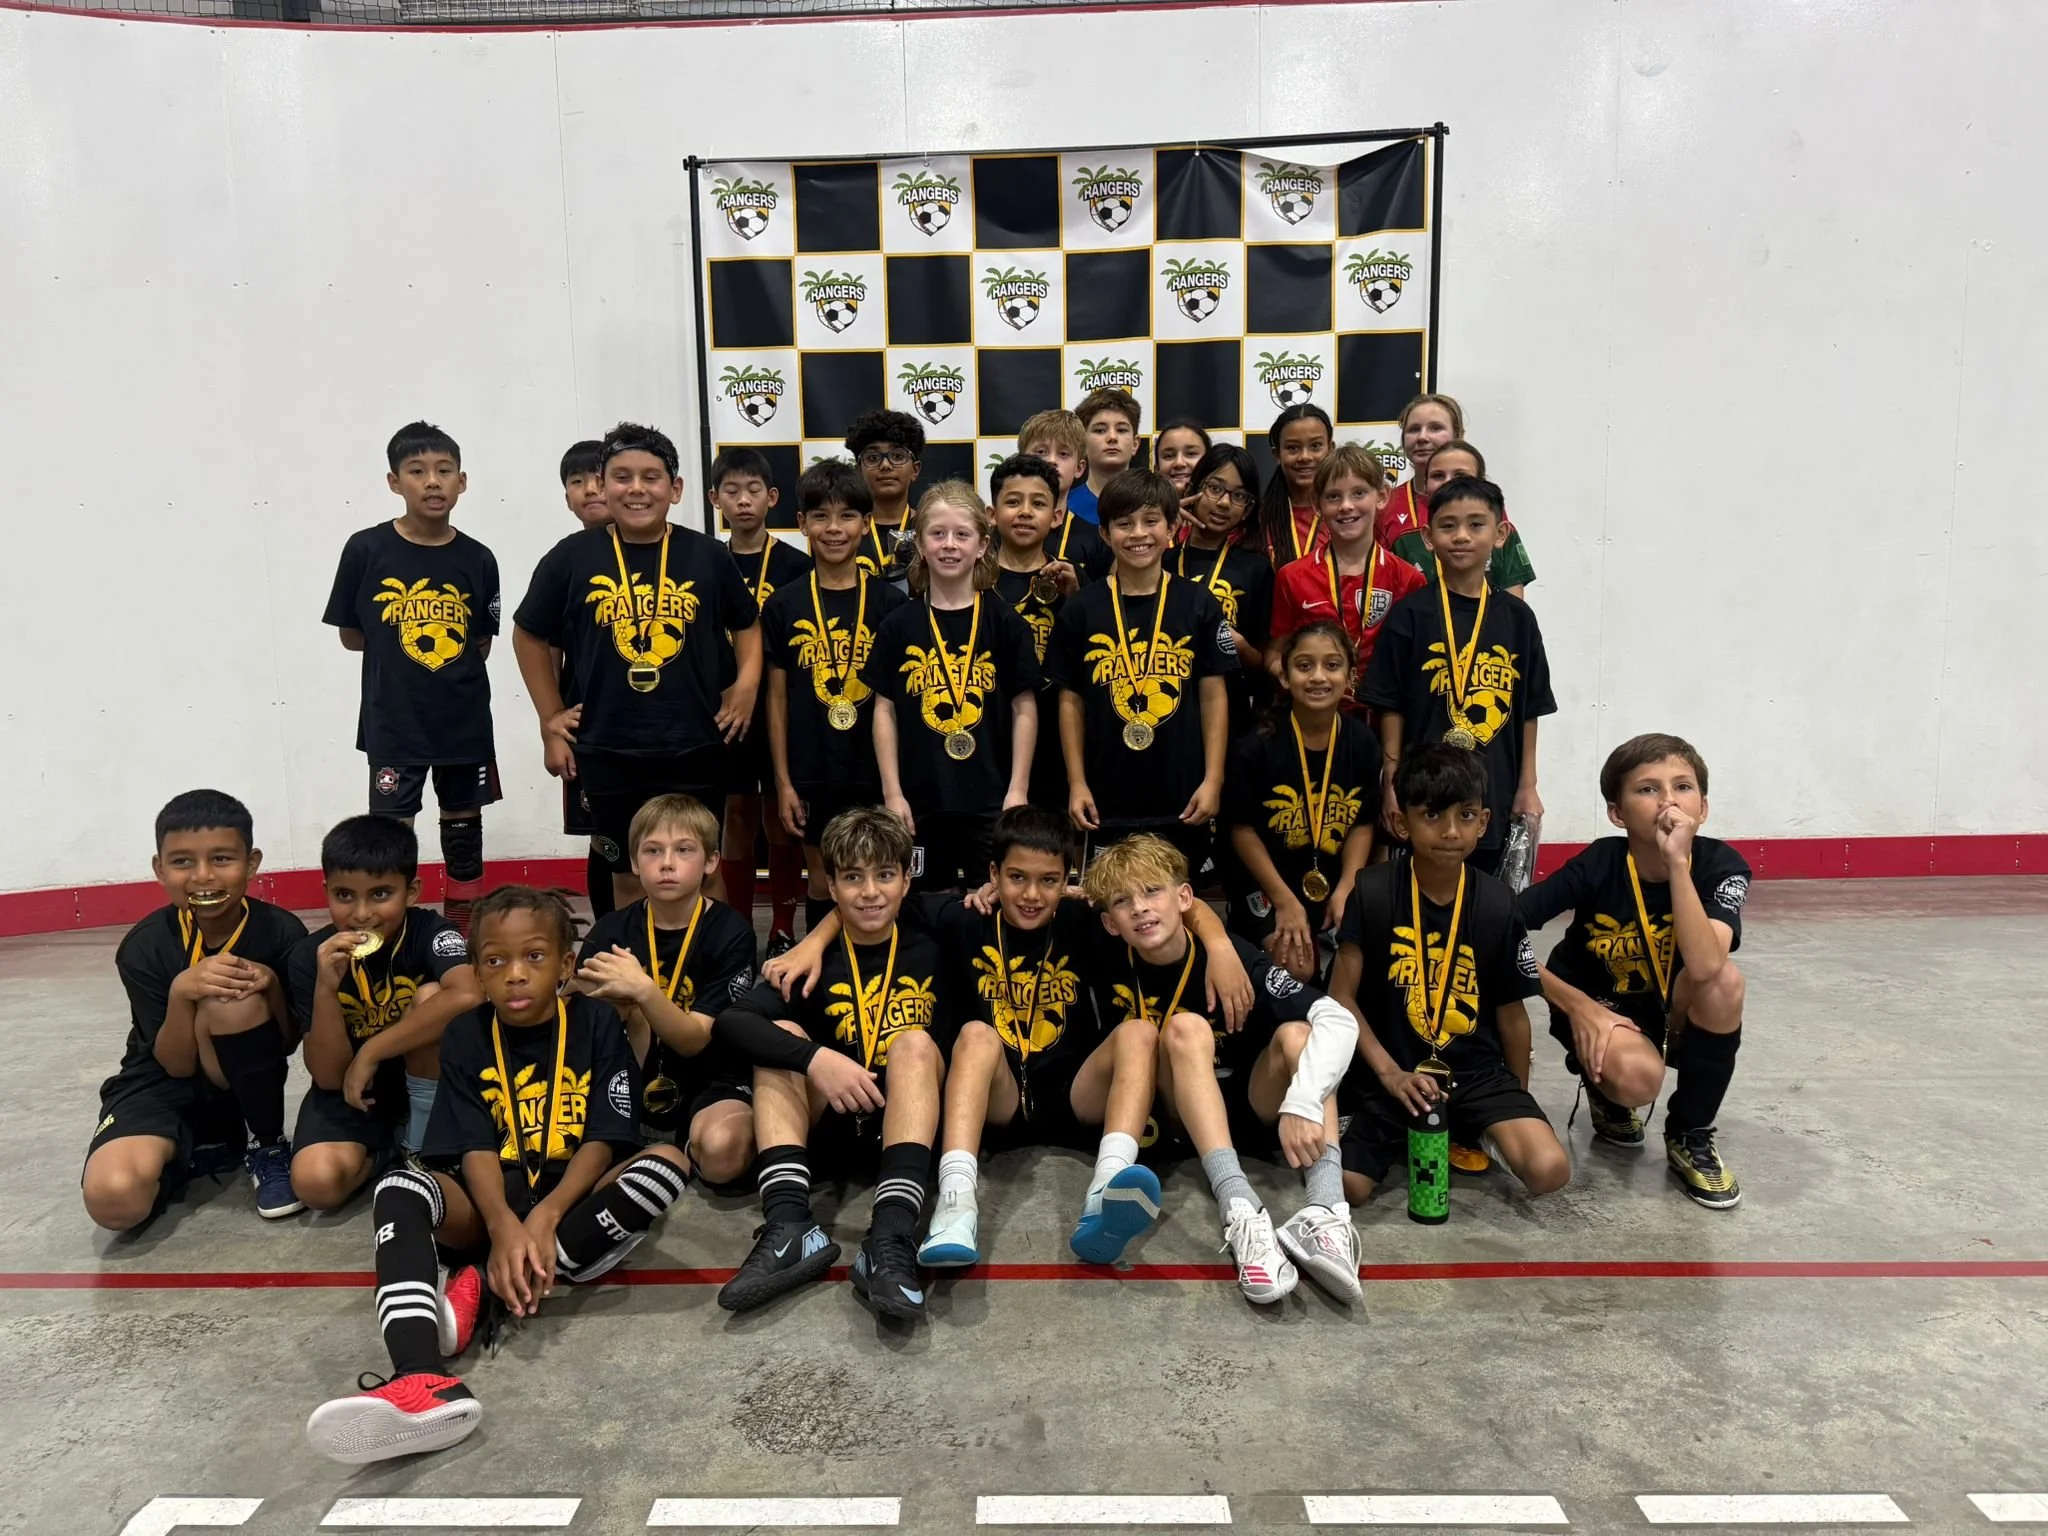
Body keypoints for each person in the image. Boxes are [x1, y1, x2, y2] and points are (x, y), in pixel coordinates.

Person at [764, 804, 1252, 1269]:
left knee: (1139, 1031)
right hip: (993, 1097)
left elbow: (1173, 906)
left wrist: (1220, 943)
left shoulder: (1084, 920)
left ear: (1069, 882)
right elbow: (869, 908)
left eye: (1049, 882)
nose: (1032, 895)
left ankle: (1105, 1191)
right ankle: (956, 1206)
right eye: (1017, 878)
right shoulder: (962, 918)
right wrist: (814, 938)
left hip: (1072, 1097)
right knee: (977, 1034)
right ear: (993, 875)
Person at [304, 887, 690, 1465]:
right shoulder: (464, 1033)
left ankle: (499, 1280)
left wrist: (546, 1213)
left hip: (569, 1202)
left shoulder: (595, 1024)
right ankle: (420, 1377)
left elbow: (604, 1139)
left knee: (669, 1166)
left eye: (534, 957)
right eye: (494, 961)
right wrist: (505, 1223)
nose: (514, 975)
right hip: (487, 1204)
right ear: (477, 971)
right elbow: (474, 1146)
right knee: (399, 1187)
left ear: (565, 966)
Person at [1083, 834, 1363, 1305]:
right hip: (1169, 1109)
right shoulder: (1103, 945)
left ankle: (1327, 1212)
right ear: (1110, 922)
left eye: (1153, 891)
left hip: (1246, 1106)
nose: (1140, 908)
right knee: (1185, 1028)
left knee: (1300, 1037)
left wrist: (1300, 1101)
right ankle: (1240, 1209)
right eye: (1123, 901)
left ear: (1185, 899)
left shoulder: (1236, 958)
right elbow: (1038, 897)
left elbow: (1337, 1019)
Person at [512, 421, 761, 912]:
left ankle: (718, 973)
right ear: (602, 485)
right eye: (622, 477)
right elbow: (528, 635)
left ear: (676, 487)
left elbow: (748, 625)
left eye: (651, 477)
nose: (637, 489)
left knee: (703, 873)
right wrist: (550, 718)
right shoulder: (572, 557)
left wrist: (746, 684)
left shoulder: (707, 556)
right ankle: (634, 981)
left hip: (696, 742)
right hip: (609, 747)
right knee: (626, 877)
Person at [710, 809, 949, 1320]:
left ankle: (891, 1235)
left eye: (885, 875)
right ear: (831, 887)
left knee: (913, 1043)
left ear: (907, 881)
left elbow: (1020, 898)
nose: (870, 892)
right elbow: (732, 1022)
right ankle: (791, 1224)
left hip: (907, 1125)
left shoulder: (934, 929)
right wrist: (816, 1058)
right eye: (853, 878)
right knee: (782, 1037)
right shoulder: (807, 964)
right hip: (831, 1125)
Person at [1327, 745, 1572, 1209]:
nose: (1451, 831)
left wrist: (1515, 1103)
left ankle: (1470, 1127)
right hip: (1395, 1070)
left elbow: (1512, 1014)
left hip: (1475, 1072)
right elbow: (1342, 997)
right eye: (1433, 815)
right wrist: (1390, 1073)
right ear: (1402, 824)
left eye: (1465, 816)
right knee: (1350, 1188)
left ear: (1484, 823)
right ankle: (1401, 1124)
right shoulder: (1373, 891)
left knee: (1548, 1170)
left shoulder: (1499, 904)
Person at [1517, 734, 1750, 1209]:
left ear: (1702, 808)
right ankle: (1607, 1092)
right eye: (1647, 789)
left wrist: (1677, 865)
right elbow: (1497, 928)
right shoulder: (1599, 862)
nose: (1668, 801)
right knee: (1639, 1082)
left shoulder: (1723, 865)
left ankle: (1690, 1134)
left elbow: (1705, 964)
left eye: (1682, 787)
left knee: (1725, 982)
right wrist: (1576, 1006)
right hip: (1602, 1008)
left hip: (1676, 1008)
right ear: (1617, 813)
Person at [82, 790, 309, 1231]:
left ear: (252, 862)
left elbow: (286, 1043)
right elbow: (174, 1064)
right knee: (114, 1202)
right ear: (159, 868)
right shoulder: (143, 947)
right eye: (183, 862)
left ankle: (266, 1144)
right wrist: (181, 993)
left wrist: (273, 988)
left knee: (233, 997)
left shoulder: (282, 931)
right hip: (159, 1082)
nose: (203, 876)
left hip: (242, 1079)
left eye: (222, 859)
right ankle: (190, 1152)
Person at [324, 421, 500, 937]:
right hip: (394, 722)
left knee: (464, 832)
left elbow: (481, 641)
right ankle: (389, 932)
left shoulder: (478, 557)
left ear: (462, 481)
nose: (432, 482)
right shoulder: (366, 549)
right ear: (393, 481)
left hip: (463, 723)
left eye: (444, 471)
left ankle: (464, 934)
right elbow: (352, 635)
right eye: (417, 471)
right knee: (390, 833)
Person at [1363, 475, 1553, 879]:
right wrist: (1391, 784)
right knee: (1419, 890)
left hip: (1493, 786)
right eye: (1448, 526)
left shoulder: (1518, 618)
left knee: (1484, 894)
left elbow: (1530, 708)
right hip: (1421, 787)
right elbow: (1390, 707)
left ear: (1500, 533)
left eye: (1476, 524)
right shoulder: (1409, 615)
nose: (1461, 536)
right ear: (1429, 538)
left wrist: (1527, 785)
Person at [289, 817, 480, 1213]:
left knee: (432, 995)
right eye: (344, 895)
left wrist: (372, 1050)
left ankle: (420, 1134)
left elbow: (469, 993)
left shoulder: (432, 931)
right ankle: (388, 1150)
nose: (361, 914)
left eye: (380, 894)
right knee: (315, 1185)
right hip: (355, 1091)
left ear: (411, 892)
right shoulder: (311, 955)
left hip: (429, 1082)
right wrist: (326, 988)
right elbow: (326, 1075)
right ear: (326, 892)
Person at [1050, 470, 1234, 874]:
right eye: (1123, 523)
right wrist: (1077, 782)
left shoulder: (1197, 603)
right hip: (1105, 796)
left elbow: (1213, 696)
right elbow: (1070, 701)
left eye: (1151, 521)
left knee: (1181, 906)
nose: (1138, 534)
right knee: (1108, 908)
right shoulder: (1082, 609)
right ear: (1104, 534)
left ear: (1172, 529)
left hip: (1182, 795)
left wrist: (1214, 779)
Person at [576, 794, 760, 1186]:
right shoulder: (610, 931)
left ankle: (678, 1149)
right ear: (633, 862)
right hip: (629, 1076)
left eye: (684, 850)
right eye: (653, 851)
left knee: (724, 1154)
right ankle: (640, 1138)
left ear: (711, 862)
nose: (667, 863)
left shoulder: (732, 932)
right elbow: (575, 1031)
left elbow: (694, 1040)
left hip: (711, 1076)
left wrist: (643, 990)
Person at [761, 460, 909, 936]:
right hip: (812, 769)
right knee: (824, 878)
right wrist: (783, 781)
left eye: (847, 516)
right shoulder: (783, 603)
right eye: (820, 516)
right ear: (802, 524)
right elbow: (777, 698)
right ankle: (823, 974)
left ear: (866, 525)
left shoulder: (890, 603)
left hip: (873, 769)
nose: (834, 528)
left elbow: (899, 702)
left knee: (878, 877)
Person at [872, 482, 1040, 890]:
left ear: (982, 545)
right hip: (920, 800)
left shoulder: (1006, 624)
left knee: (995, 902)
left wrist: (1017, 789)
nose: (949, 545)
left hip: (990, 799)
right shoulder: (898, 625)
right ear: (921, 544)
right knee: (923, 905)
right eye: (938, 533)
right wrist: (893, 794)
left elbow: (1025, 709)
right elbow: (884, 711)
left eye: (962, 534)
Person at [1225, 623, 1378, 983]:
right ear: (1285, 675)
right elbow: (1242, 831)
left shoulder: (1362, 742)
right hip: (1267, 881)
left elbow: (1363, 823)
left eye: (1332, 665)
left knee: (1371, 956)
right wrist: (1284, 901)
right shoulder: (1257, 744)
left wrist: (1347, 887)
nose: (1318, 677)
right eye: (1305, 665)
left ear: (1350, 676)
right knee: (1296, 967)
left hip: (1333, 875)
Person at [712, 446, 811, 947]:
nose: (743, 501)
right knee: (737, 813)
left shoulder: (796, 565)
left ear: (772, 498)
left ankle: (780, 929)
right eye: (731, 491)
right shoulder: (708, 561)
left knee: (778, 812)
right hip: (725, 710)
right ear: (715, 499)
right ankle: (735, 928)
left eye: (753, 490)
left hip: (779, 706)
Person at [1269, 444, 1426, 697]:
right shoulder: (1292, 577)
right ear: (1317, 505)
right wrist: (1299, 678)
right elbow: (1276, 652)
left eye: (1359, 493)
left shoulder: (1408, 579)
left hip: (1383, 719)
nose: (1346, 506)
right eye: (1333, 496)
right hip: (1316, 715)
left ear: (1382, 495)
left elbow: (1415, 659)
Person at [988, 452, 1081, 811]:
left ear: (1056, 517)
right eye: (1013, 502)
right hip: (988, 731)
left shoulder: (1072, 582)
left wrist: (1074, 600)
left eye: (1038, 503)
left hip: (1054, 738)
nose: (1025, 511)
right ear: (992, 515)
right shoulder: (971, 580)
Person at [1174, 442, 1274, 733]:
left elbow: (1265, 665)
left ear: (1248, 509)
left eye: (1239, 496)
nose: (1223, 503)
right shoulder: (1160, 560)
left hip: (1231, 715)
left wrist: (1238, 645)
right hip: (1166, 707)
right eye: (1214, 488)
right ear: (1192, 490)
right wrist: (1166, 520)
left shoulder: (1255, 569)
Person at [557, 438, 616, 921]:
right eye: (577, 482)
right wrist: (552, 723)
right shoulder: (567, 559)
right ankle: (606, 931)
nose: (590, 489)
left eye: (599, 477)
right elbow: (542, 642)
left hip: (659, 722)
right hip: (587, 723)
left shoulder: (662, 546)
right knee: (603, 833)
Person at [1398, 439, 1537, 597]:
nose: (1448, 482)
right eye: (1438, 476)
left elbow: (1514, 609)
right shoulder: (1405, 540)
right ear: (1425, 484)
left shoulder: (1499, 533)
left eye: (1460, 475)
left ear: (1480, 481)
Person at [1020, 408, 1113, 580]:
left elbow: (1104, 603)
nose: (1051, 461)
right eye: (1041, 452)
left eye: (1063, 454)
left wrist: (1078, 592)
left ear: (1079, 468)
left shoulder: (1097, 541)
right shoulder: (1002, 532)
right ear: (1021, 461)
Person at [1375, 392, 1462, 557]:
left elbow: (1510, 580)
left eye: (1435, 428)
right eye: (1414, 429)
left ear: (1457, 435)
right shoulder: (1385, 506)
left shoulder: (1484, 499)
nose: (1422, 437)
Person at [844, 408, 924, 574]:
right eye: (873, 458)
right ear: (859, 470)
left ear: (915, 470)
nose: (886, 465)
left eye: (897, 456)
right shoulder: (843, 532)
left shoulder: (932, 529)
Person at [1255, 404, 1333, 567]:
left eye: (1316, 446)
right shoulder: (1258, 520)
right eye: (1292, 448)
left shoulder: (1347, 513)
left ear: (1330, 449)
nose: (1305, 457)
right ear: (1277, 454)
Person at [1068, 387, 1142, 526]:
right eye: (1100, 430)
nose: (1112, 437)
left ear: (1135, 443)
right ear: (1082, 442)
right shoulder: (1064, 508)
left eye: (1121, 430)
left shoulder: (1153, 506)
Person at [1152, 417, 1212, 495]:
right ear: (1156, 469)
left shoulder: (1226, 504)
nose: (1179, 463)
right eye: (1169, 456)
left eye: (1191, 454)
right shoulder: (1139, 506)